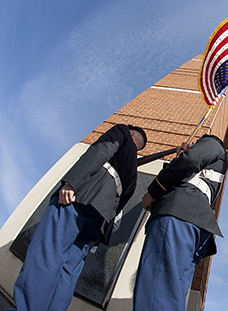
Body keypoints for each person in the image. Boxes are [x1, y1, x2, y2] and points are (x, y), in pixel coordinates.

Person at [9, 124, 147, 311]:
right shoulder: (133, 171)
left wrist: (72, 183)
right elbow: (122, 201)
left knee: (48, 254)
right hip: (98, 220)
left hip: (79, 199)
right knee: (68, 270)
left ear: (131, 133)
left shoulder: (121, 132)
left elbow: (100, 151)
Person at [134, 134, 227, 311]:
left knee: (156, 289)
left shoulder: (213, 142)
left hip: (178, 213)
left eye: (196, 142)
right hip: (192, 220)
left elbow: (190, 160)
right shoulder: (213, 163)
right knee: (170, 293)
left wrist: (152, 192)